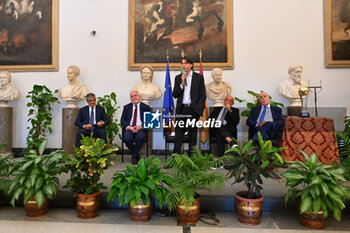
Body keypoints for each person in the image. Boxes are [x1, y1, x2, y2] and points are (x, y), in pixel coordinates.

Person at [172, 56, 206, 154]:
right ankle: (175, 158)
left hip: (193, 109)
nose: (183, 65)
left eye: (185, 63)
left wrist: (198, 109)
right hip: (181, 109)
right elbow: (175, 94)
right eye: (182, 63)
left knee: (193, 135)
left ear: (191, 65)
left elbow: (202, 95)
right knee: (178, 135)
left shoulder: (198, 77)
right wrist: (182, 83)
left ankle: (192, 158)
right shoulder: (178, 78)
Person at [121, 90, 151, 165]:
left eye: (135, 95)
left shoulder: (146, 107)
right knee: (127, 138)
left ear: (139, 96)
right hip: (130, 128)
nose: (134, 97)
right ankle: (136, 155)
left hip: (140, 128)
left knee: (140, 137)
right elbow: (122, 120)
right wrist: (129, 127)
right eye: (132, 96)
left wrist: (140, 127)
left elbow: (149, 121)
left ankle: (134, 156)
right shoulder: (126, 107)